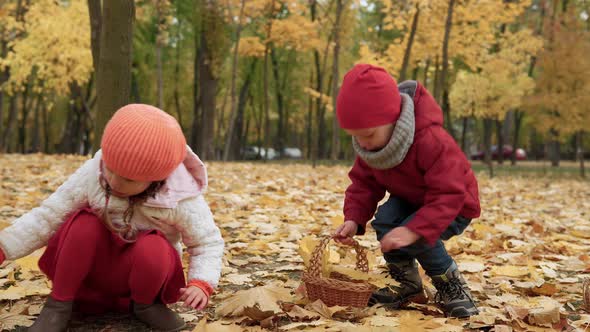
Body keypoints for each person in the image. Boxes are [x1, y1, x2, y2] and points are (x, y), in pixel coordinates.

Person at [0, 104, 224, 331]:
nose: (114, 181)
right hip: (94, 270)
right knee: (83, 224)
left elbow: (206, 242)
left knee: (154, 246)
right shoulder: (94, 173)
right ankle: (58, 305)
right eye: (111, 168)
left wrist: (201, 282)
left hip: (143, 277)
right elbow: (49, 215)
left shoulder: (180, 196)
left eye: (128, 179)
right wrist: (4, 247)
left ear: (156, 178)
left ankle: (146, 306)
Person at [332, 64, 480, 318]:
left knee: (420, 235)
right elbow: (364, 183)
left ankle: (451, 284)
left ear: (393, 118)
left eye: (368, 134)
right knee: (386, 222)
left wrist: (414, 229)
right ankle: (407, 284)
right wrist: (353, 218)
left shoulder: (430, 140)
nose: (363, 143)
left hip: (453, 203)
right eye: (355, 137)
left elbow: (449, 193)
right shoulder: (371, 146)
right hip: (412, 200)